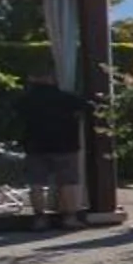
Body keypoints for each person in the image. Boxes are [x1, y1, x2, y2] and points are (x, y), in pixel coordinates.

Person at [15, 70, 92, 230]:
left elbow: (17, 116)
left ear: (31, 79)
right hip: (66, 145)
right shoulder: (66, 98)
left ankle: (39, 218)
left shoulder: (25, 100)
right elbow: (89, 107)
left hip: (35, 145)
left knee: (36, 183)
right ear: (52, 79)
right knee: (68, 182)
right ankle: (70, 217)